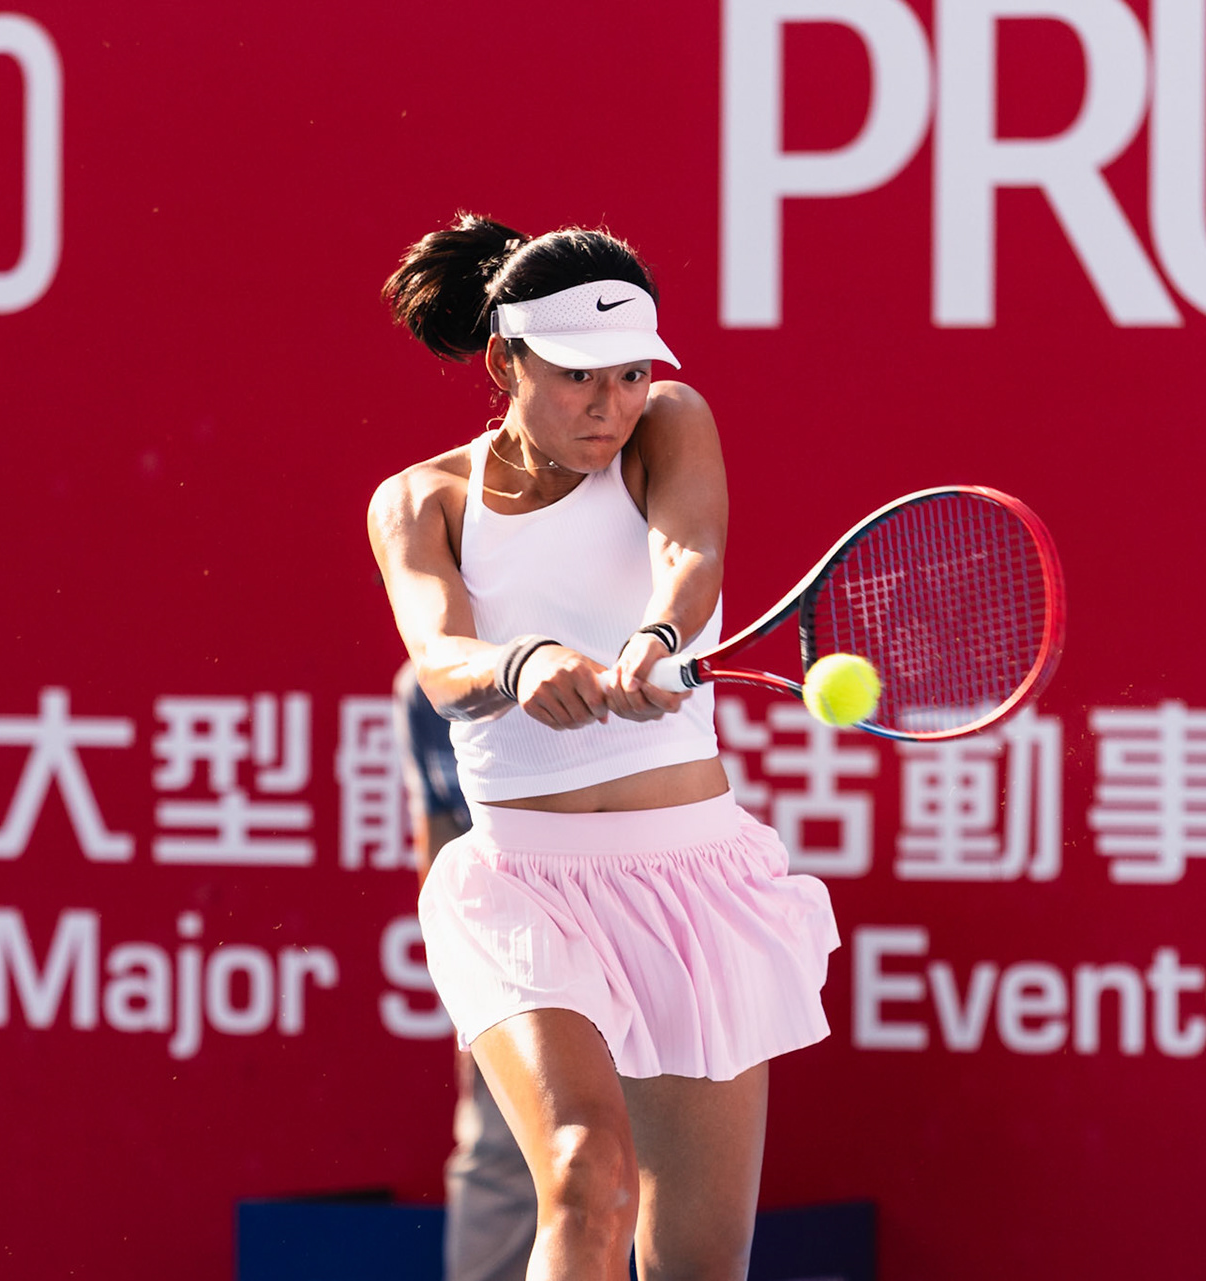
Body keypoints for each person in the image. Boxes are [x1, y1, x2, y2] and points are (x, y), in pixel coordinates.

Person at [367, 212, 839, 1281]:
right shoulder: (421, 500)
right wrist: (521, 664)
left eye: (629, 374)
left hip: (691, 885)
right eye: (579, 376)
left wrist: (657, 640)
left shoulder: (671, 421)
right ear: (506, 363)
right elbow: (440, 659)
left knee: (697, 1264)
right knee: (588, 1180)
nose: (610, 405)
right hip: (523, 887)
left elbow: (690, 552)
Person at [391, 660, 540, 1281]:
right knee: (504, 1156)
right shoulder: (421, 690)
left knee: (637, 1171)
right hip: (510, 969)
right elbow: (441, 837)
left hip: (630, 943)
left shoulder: (577, 656)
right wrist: (466, 990)